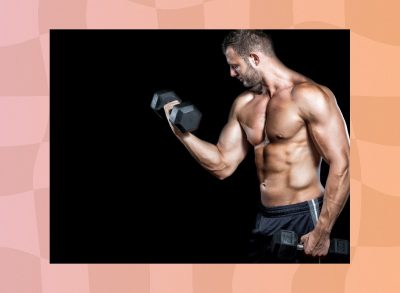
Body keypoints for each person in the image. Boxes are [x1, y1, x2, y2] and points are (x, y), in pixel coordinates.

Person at [163, 30, 349, 263]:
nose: (231, 73)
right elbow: (222, 165)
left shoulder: (308, 95)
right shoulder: (244, 104)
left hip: (304, 217)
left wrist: (323, 230)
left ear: (254, 58)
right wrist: (181, 134)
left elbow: (342, 163)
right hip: (265, 219)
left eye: (235, 66)